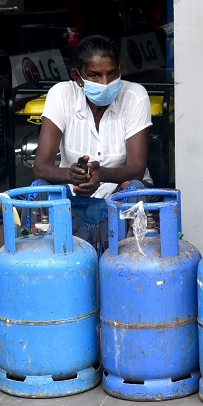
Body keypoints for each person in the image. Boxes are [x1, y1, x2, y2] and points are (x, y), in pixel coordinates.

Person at [32, 35, 151, 250]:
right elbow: (41, 165)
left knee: (136, 189)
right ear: (78, 77)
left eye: (112, 73)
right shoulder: (61, 95)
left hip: (118, 191)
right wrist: (71, 175)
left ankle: (124, 264)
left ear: (121, 69)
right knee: (39, 189)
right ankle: (43, 260)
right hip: (72, 193)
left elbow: (137, 167)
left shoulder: (135, 95)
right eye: (94, 75)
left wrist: (102, 174)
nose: (105, 83)